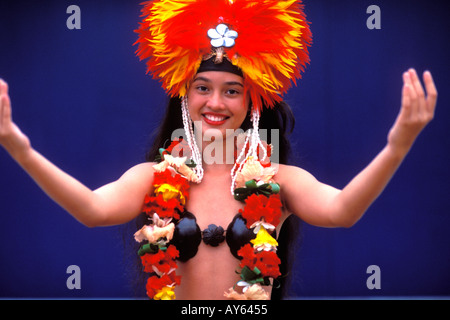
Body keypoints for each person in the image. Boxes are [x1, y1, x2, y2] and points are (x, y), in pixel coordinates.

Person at [0, 0, 437, 300]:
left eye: (232, 91)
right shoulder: (152, 178)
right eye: (202, 88)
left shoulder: (279, 182)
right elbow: (92, 209)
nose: (215, 103)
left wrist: (396, 146)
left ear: (251, 103)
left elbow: (342, 210)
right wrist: (21, 149)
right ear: (184, 96)